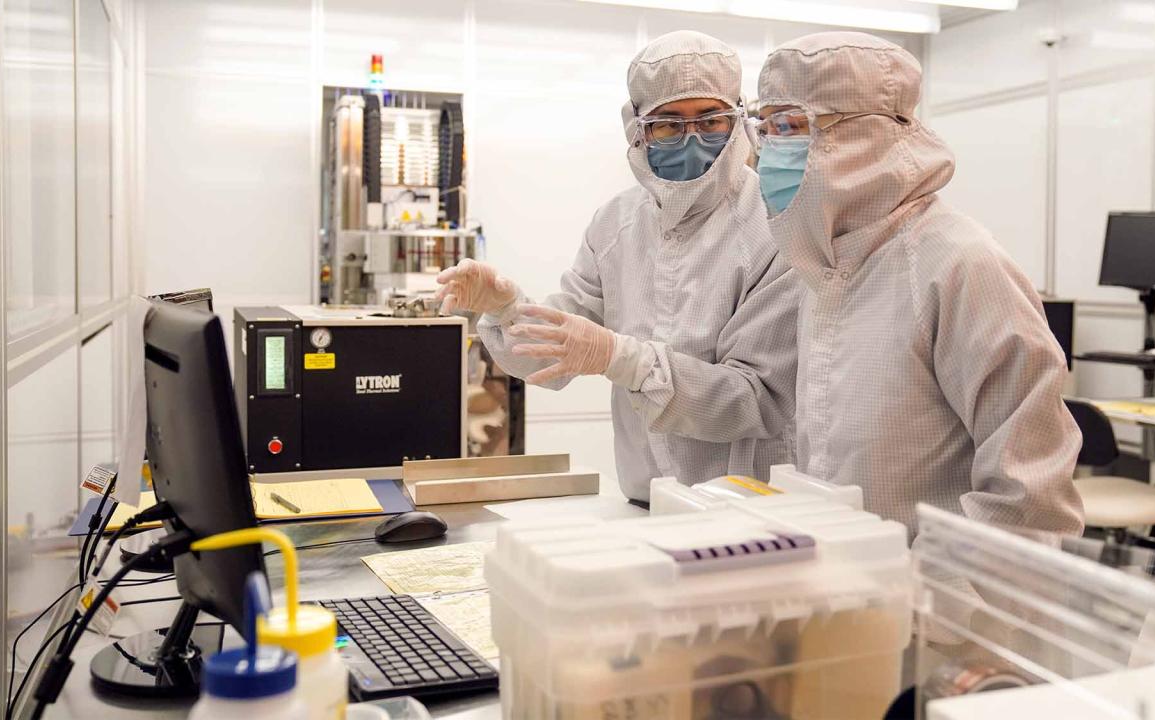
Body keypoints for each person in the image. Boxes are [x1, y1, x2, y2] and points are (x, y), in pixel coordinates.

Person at [436, 31, 801, 502]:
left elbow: (755, 401)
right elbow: (553, 361)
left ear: (739, 120)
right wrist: (507, 309)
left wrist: (622, 359)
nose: (692, 139)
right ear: (638, 129)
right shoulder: (616, 224)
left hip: (746, 511)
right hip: (644, 500)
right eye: (669, 124)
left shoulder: (775, 226)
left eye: (710, 120)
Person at [751, 31, 1083, 537]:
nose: (769, 152)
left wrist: (922, 592)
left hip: (939, 600)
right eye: (767, 128)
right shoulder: (823, 266)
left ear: (866, 133)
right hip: (847, 585)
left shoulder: (959, 264)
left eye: (792, 127)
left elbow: (1029, 501)